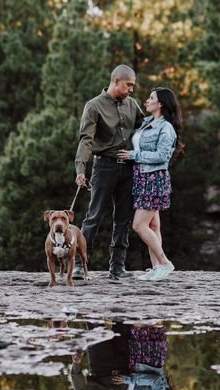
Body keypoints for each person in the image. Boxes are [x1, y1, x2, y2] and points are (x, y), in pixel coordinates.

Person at [73, 65, 145, 280]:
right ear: (116, 81)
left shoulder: (132, 105)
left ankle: (117, 267)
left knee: (123, 219)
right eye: (128, 85)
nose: (131, 89)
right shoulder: (94, 106)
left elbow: (146, 128)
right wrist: (80, 169)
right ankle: (78, 264)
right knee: (94, 216)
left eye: (132, 85)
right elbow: (86, 140)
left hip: (129, 168)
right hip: (104, 167)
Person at [117, 87, 184, 282]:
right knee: (153, 225)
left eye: (151, 98)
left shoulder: (166, 128)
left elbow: (162, 157)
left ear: (160, 103)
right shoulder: (147, 123)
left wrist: (133, 155)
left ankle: (164, 263)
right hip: (142, 177)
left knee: (139, 225)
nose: (146, 101)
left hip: (154, 179)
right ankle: (156, 268)